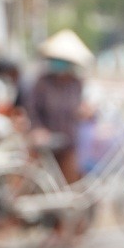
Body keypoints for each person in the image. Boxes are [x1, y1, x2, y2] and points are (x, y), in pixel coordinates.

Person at [28, 29, 94, 183]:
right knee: (39, 182)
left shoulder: (76, 84)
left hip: (69, 141)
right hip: (45, 143)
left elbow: (79, 108)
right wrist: (37, 129)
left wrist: (85, 112)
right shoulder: (42, 83)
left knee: (70, 182)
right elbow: (32, 110)